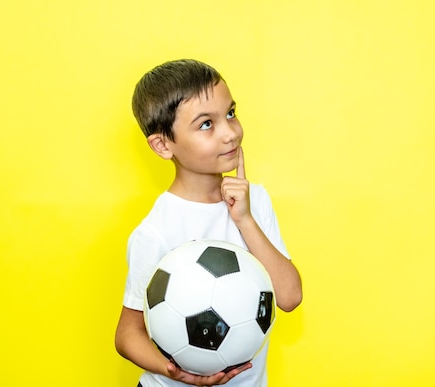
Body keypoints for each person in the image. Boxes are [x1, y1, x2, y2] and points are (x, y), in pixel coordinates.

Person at [115, 59, 302, 387]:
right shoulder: (157, 230)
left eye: (230, 113)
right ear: (162, 145)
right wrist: (176, 373)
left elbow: (289, 297)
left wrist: (244, 218)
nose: (230, 133)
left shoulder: (254, 201)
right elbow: (127, 335)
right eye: (206, 124)